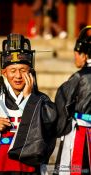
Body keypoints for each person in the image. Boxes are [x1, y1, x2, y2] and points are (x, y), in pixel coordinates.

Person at [0, 33, 57, 175]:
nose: (18, 76)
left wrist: (29, 99)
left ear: (31, 72)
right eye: (12, 70)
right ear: (4, 73)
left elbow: (52, 124)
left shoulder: (41, 100)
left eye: (23, 70)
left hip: (29, 168)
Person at [53, 26, 91, 175]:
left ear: (84, 55)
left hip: (80, 132)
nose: (75, 57)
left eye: (76, 54)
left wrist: (61, 127)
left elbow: (63, 102)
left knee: (73, 169)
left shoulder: (79, 77)